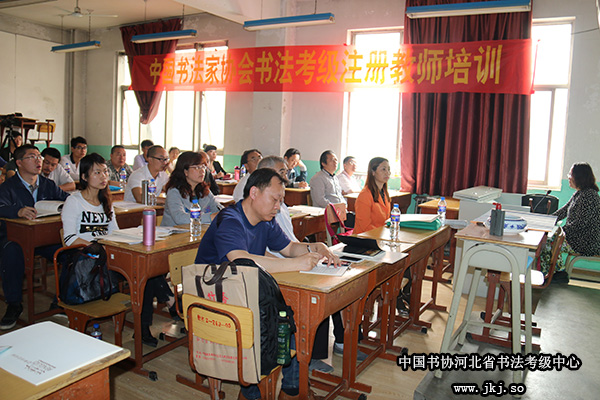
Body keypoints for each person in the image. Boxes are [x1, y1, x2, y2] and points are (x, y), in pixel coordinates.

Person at [194, 168, 339, 400]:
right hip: (215, 299)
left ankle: (291, 390)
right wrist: (296, 263)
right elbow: (240, 259)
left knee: (294, 316)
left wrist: (315, 247)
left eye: (281, 201)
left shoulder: (265, 220)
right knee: (280, 322)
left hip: (245, 292)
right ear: (254, 193)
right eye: (275, 199)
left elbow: (289, 248)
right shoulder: (230, 220)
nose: (278, 206)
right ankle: (253, 393)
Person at [0, 144, 69, 329]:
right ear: (19, 163)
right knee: (11, 254)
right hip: (14, 238)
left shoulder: (47, 184)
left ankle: (60, 301)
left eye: (39, 156)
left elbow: (66, 199)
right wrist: (17, 211)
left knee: (70, 253)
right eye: (32, 157)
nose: (39, 160)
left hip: (43, 238)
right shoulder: (8, 187)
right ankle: (14, 304)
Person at [548, 163, 600, 278]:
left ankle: (557, 273)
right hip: (578, 237)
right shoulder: (580, 193)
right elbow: (563, 211)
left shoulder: (589, 195)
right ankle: (554, 272)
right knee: (548, 238)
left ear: (580, 177)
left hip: (586, 241)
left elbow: (580, 224)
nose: (569, 177)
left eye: (571, 174)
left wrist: (560, 231)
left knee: (549, 241)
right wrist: (547, 220)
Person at [161, 151, 222, 226]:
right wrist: (210, 217)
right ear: (185, 171)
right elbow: (179, 218)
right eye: (197, 167)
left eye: (203, 167)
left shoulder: (204, 190)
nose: (202, 171)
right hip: (174, 232)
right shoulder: (174, 191)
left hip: (197, 230)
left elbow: (217, 208)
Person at [354, 157, 391, 234]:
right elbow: (365, 226)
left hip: (380, 235)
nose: (387, 172)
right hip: (365, 237)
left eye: (388, 169)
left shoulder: (384, 193)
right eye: (383, 169)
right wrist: (383, 235)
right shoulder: (365, 195)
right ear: (373, 172)